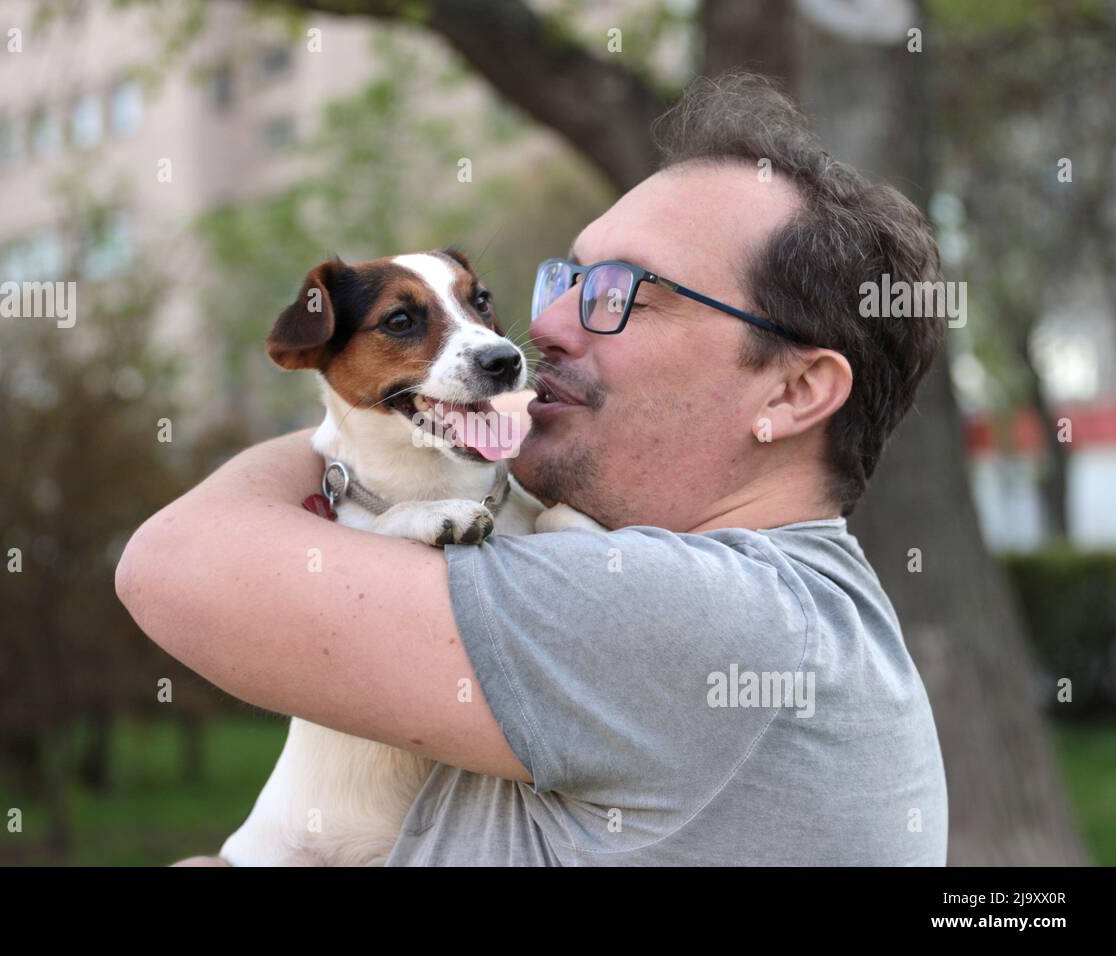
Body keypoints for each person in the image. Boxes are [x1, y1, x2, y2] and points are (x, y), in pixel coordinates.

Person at [116, 73, 949, 866]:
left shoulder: (705, 620)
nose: (541, 325)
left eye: (622, 291)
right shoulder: (816, 618)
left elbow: (172, 565)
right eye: (568, 277)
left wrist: (359, 425)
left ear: (797, 389)